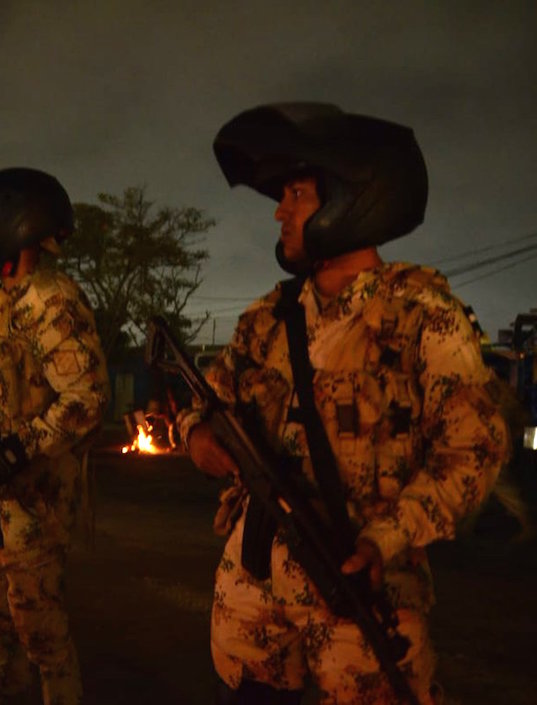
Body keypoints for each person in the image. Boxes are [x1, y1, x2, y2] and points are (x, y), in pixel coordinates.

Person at [179, 103, 508, 703]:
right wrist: (196, 436)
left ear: (353, 201)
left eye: (297, 194)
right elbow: (206, 405)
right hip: (255, 596)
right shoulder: (267, 319)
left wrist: (385, 538)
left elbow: (474, 450)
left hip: (358, 597)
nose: (279, 211)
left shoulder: (421, 318)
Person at [0, 167, 108, 705]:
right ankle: (7, 691)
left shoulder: (50, 298)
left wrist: (18, 450)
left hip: (34, 498)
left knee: (42, 628)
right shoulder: (6, 301)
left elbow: (86, 399)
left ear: (18, 225)